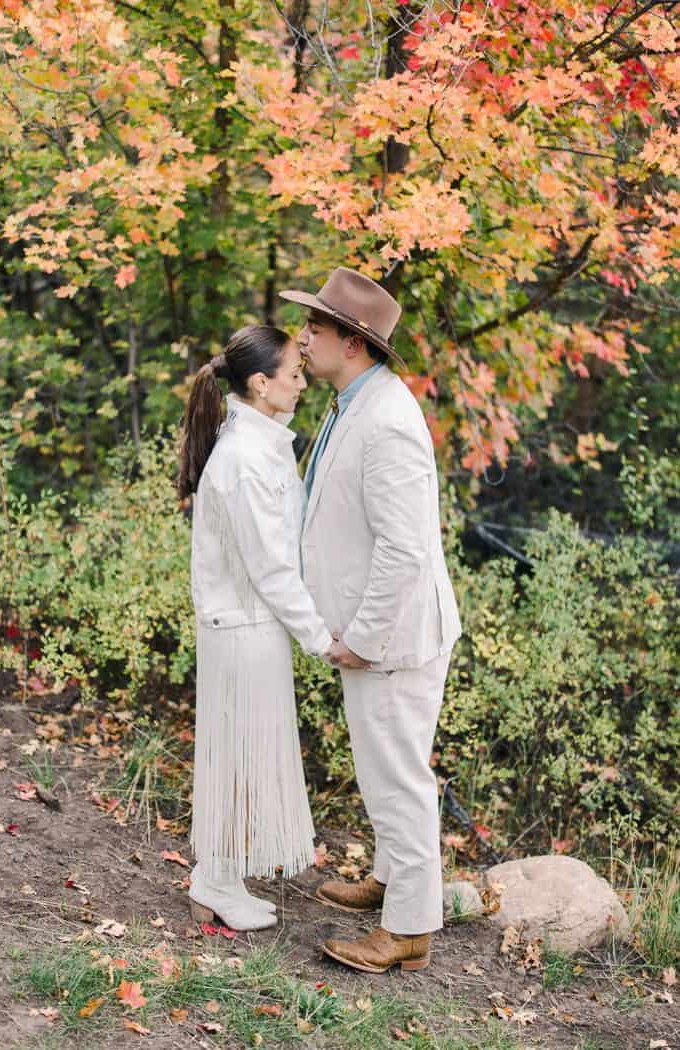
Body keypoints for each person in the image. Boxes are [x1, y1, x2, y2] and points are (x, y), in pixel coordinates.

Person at [279, 267, 462, 972]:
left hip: (392, 638)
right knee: (383, 766)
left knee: (398, 775)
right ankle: (391, 880)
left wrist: (361, 635)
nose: (303, 336)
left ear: (353, 342)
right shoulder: (354, 402)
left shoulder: (387, 422)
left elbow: (405, 548)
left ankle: (410, 930)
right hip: (373, 635)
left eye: (315, 327)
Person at [178, 324, 336, 931]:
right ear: (261, 384)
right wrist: (320, 638)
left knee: (245, 750)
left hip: (254, 625)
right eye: (295, 374)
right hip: (241, 626)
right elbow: (271, 567)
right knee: (236, 753)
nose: (303, 383)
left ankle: (224, 876)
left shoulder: (260, 445)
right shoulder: (243, 459)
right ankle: (214, 880)